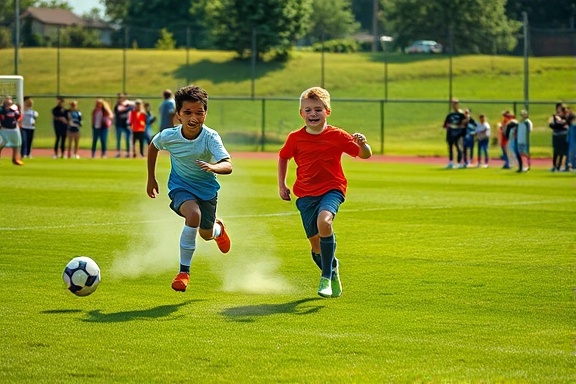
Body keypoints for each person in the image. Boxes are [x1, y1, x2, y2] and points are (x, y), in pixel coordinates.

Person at [277, 86, 372, 298]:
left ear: (327, 111)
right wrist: (282, 185)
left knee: (325, 222)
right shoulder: (295, 138)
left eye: (318, 109)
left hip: (332, 189)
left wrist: (363, 145)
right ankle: (333, 268)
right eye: (308, 110)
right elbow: (283, 157)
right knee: (316, 246)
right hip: (305, 194)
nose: (313, 114)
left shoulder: (338, 135)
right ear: (301, 113)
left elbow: (364, 155)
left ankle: (326, 277)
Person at [146, 85, 232, 293]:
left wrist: (213, 167)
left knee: (205, 234)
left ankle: (218, 230)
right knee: (193, 215)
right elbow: (154, 145)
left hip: (207, 191)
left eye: (199, 112)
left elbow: (228, 164)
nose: (194, 117)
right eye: (187, 112)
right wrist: (151, 178)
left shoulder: (210, 137)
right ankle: (184, 273)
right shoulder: (169, 136)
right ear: (178, 115)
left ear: (205, 113)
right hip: (180, 188)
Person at [442, 98, 466, 169]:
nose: (454, 105)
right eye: (453, 103)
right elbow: (445, 125)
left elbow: (465, 123)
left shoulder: (461, 114)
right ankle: (451, 162)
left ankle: (458, 163)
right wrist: (448, 127)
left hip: (458, 133)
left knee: (459, 147)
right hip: (451, 133)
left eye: (455, 103)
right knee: (450, 147)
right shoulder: (450, 115)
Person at [0, 96, 24, 166]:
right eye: (7, 99)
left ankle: (15, 159)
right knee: (1, 144)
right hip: (3, 129)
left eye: (10, 99)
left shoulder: (14, 109)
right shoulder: (1, 109)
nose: (9, 100)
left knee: (16, 145)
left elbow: (18, 116)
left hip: (13, 129)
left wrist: (18, 122)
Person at [548, 103, 569, 172]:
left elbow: (566, 125)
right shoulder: (554, 116)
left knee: (562, 152)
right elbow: (551, 125)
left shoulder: (566, 117)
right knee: (556, 151)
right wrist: (560, 124)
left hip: (563, 135)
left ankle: (561, 166)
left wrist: (559, 124)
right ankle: (555, 166)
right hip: (556, 135)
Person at [113, 93, 133, 158]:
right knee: (118, 139)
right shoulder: (117, 106)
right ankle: (118, 152)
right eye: (119, 98)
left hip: (126, 125)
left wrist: (126, 106)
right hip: (119, 125)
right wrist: (124, 108)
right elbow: (118, 111)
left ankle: (128, 153)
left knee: (127, 139)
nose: (120, 99)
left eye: (122, 98)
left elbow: (131, 108)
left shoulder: (128, 106)